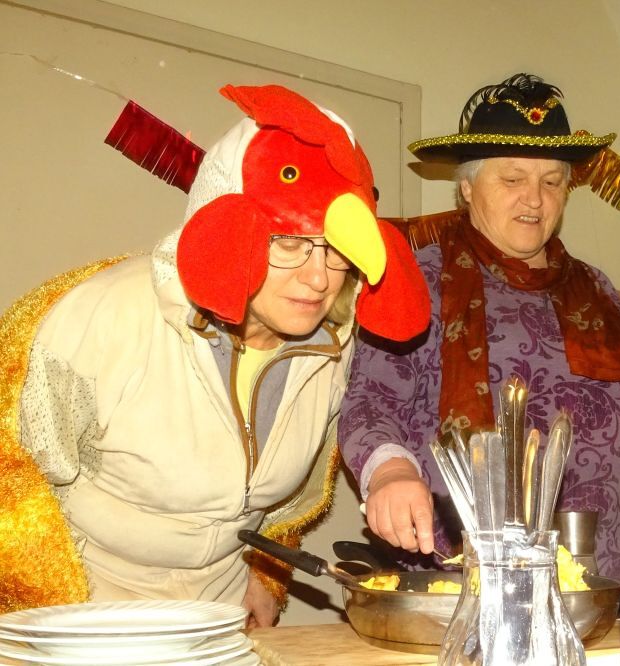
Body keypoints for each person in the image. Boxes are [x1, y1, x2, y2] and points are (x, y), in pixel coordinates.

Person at [13, 84, 429, 624]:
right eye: (289, 243)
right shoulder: (107, 314)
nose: (319, 277)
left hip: (221, 615)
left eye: (335, 251)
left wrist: (265, 574)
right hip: (89, 607)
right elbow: (13, 472)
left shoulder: (332, 347)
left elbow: (290, 499)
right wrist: (47, 616)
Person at [338, 73, 620, 581]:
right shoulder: (417, 278)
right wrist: (390, 471)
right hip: (462, 577)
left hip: (602, 581)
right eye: (512, 179)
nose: (535, 199)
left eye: (552, 182)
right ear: (466, 187)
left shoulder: (598, 291)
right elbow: (371, 401)